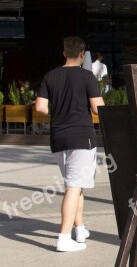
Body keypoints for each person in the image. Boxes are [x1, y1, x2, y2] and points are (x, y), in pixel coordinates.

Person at [35, 36, 105, 252]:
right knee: (74, 186)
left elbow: (39, 108)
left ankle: (80, 229)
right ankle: (64, 238)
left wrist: (57, 113)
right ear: (82, 55)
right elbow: (97, 109)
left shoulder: (50, 76)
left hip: (58, 136)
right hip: (81, 136)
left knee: (75, 185)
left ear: (64, 52)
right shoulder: (87, 77)